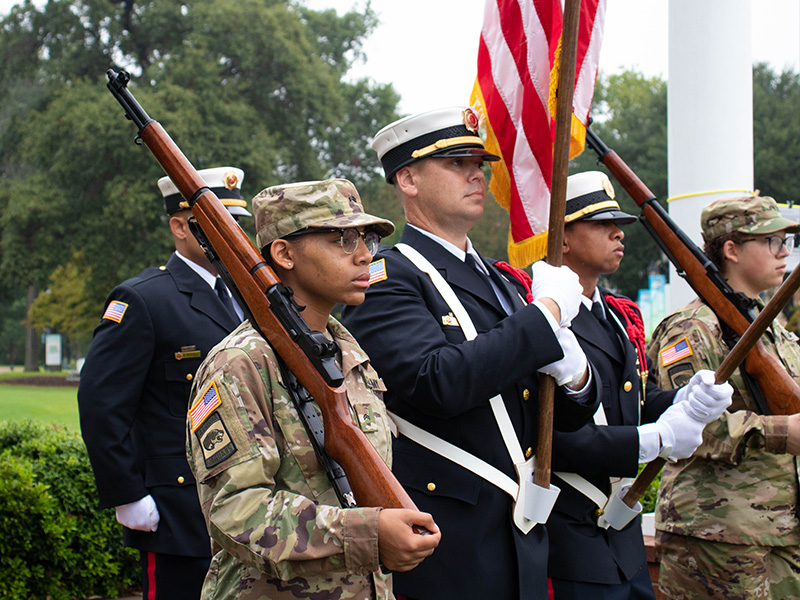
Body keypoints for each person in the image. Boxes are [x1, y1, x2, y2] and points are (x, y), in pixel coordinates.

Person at [341, 106, 603, 600]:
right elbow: (437, 381)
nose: (475, 174)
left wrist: (576, 379)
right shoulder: (386, 277)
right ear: (408, 178)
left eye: (478, 163)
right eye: (456, 162)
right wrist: (543, 316)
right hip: (449, 540)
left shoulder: (503, 281)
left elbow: (559, 416)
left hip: (519, 532)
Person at [185, 178, 441, 599]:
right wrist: (366, 534)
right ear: (284, 253)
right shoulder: (240, 363)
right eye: (342, 239)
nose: (364, 256)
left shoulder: (349, 356)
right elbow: (235, 511)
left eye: (367, 239)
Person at [547, 171, 732, 599]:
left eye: (619, 224)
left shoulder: (613, 313)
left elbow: (631, 404)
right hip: (573, 533)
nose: (617, 233)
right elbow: (550, 436)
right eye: (600, 223)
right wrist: (653, 439)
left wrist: (683, 401)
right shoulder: (543, 319)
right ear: (564, 237)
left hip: (622, 535)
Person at [78, 167, 251, 600]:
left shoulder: (245, 296)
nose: (229, 232)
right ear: (179, 226)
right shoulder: (143, 299)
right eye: (214, 221)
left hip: (247, 501)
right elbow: (102, 404)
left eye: (234, 221)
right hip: (178, 510)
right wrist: (127, 496)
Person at [647, 194, 800, 599]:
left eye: (786, 240)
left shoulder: (774, 332)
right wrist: (782, 432)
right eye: (771, 241)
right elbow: (685, 426)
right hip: (717, 534)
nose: (784, 251)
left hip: (780, 534)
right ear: (731, 249)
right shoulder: (689, 330)